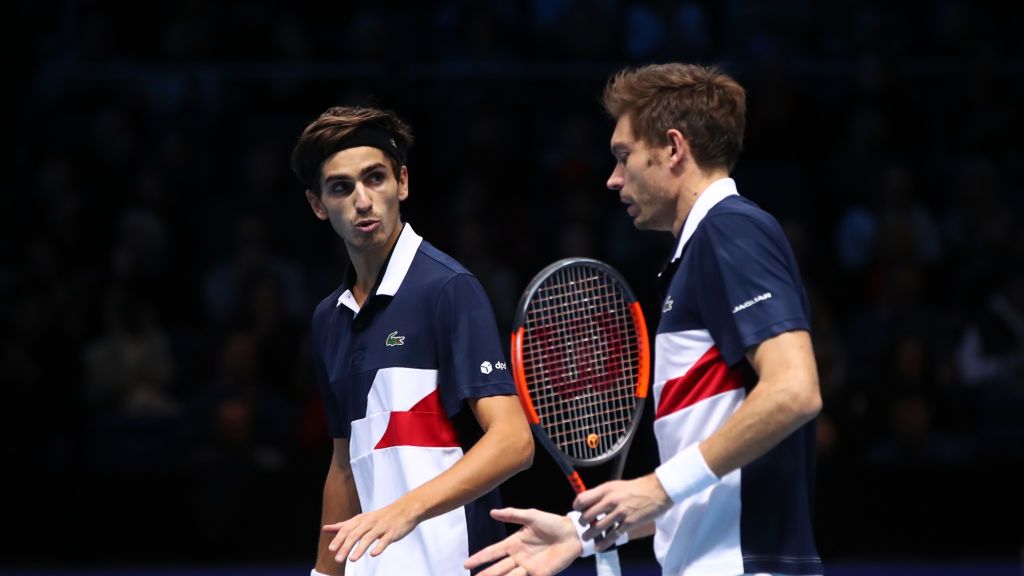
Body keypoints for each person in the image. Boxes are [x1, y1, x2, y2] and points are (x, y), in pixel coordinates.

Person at [466, 63, 823, 576]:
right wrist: (586, 531)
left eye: (622, 156)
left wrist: (655, 487)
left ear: (674, 148)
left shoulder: (732, 231)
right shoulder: (701, 250)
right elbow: (711, 483)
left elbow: (795, 390)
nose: (612, 179)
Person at [291, 105, 534, 576]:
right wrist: (324, 574)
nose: (363, 200)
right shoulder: (329, 318)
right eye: (341, 187)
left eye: (375, 179)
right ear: (319, 206)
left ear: (402, 183)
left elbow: (512, 442)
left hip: (454, 565)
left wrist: (405, 509)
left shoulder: (447, 288)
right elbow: (344, 466)